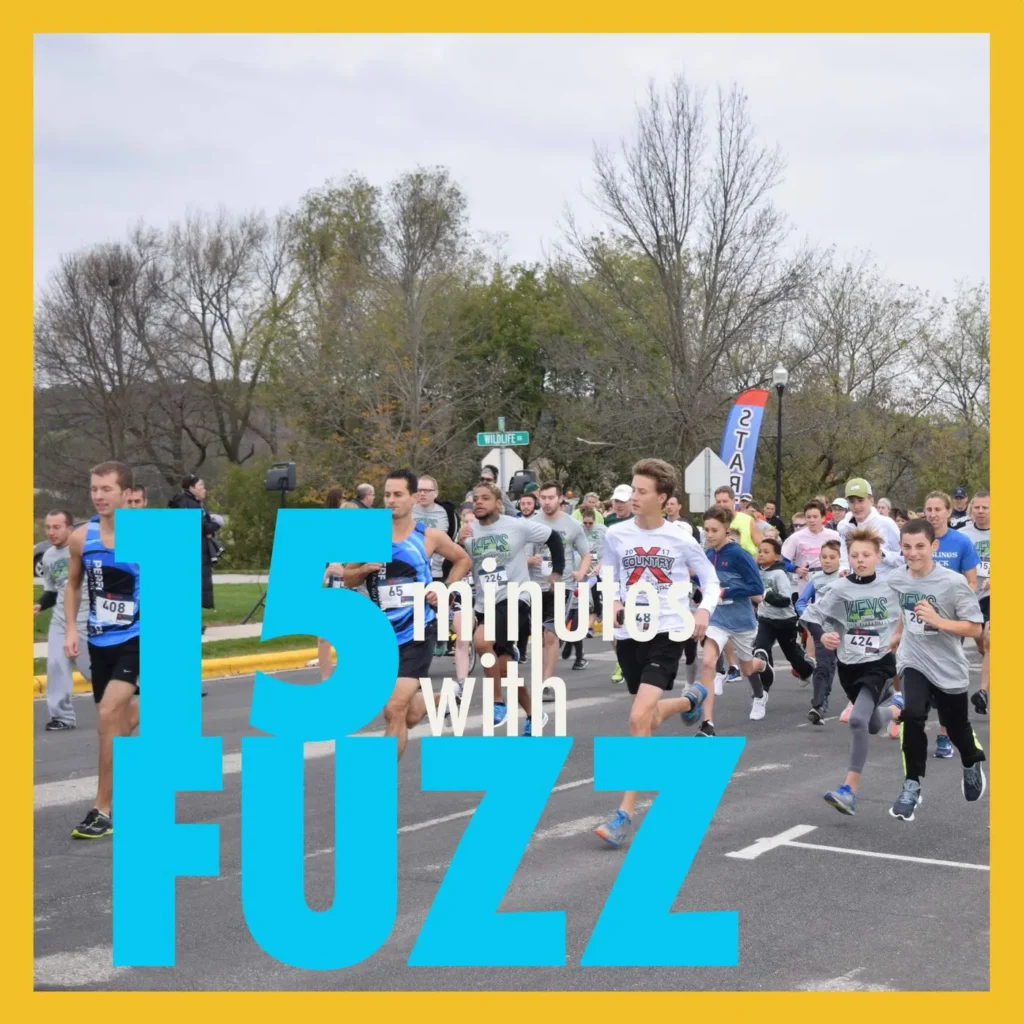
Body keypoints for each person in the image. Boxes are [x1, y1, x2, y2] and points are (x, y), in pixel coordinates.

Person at [594, 459, 718, 848]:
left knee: (636, 719)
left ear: (663, 499)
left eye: (642, 491)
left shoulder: (681, 538)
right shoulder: (616, 535)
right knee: (646, 720)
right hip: (630, 632)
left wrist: (702, 610)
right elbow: (608, 575)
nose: (633, 496)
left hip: (669, 629)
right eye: (632, 489)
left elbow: (710, 581)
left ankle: (623, 814)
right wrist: (612, 602)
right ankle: (689, 699)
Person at [343, 469, 470, 759]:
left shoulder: (429, 536)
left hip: (418, 630)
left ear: (413, 498)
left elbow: (463, 559)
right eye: (387, 494)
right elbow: (348, 579)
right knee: (407, 716)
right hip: (382, 634)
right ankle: (444, 699)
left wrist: (445, 588)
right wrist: (363, 570)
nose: (390, 500)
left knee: (394, 709)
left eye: (398, 494)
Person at [886, 519, 987, 821]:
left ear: (933, 546)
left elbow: (975, 628)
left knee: (956, 728)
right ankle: (912, 784)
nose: (913, 553)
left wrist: (940, 621)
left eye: (920, 546)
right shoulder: (896, 579)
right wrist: (897, 632)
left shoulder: (952, 582)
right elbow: (906, 607)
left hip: (948, 665)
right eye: (907, 547)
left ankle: (971, 762)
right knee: (913, 714)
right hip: (913, 660)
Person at [801, 529, 904, 815]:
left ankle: (849, 790)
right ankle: (896, 709)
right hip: (849, 665)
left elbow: (911, 611)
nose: (860, 560)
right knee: (871, 724)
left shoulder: (891, 587)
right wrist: (823, 637)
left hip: (880, 662)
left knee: (857, 720)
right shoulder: (840, 588)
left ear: (878, 557)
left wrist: (899, 635)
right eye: (855, 555)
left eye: (866, 555)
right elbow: (812, 616)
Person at [64, 461, 140, 839]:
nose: (98, 496)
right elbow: (74, 585)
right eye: (94, 489)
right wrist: (71, 631)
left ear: (126, 493)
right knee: (116, 724)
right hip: (99, 641)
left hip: (137, 639)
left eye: (106, 489)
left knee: (109, 715)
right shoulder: (81, 538)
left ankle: (102, 810)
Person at [461, 481, 566, 734]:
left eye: (485, 498)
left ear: (498, 504)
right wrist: (458, 542)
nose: (478, 502)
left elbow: (553, 538)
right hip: (485, 601)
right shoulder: (469, 530)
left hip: (515, 597)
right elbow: (459, 561)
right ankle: (533, 714)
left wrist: (557, 572)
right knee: (506, 668)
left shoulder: (516, 525)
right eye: (475, 498)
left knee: (481, 640)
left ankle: (498, 703)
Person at [698, 506, 771, 733]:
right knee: (709, 663)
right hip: (717, 620)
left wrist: (725, 592)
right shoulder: (708, 555)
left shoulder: (739, 554)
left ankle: (761, 686)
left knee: (748, 669)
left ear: (726, 530)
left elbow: (756, 587)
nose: (709, 535)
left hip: (741, 621)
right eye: (706, 530)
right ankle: (707, 723)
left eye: (714, 530)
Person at [923, 489, 982, 758]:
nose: (933, 514)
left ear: (949, 512)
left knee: (945, 675)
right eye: (929, 509)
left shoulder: (961, 542)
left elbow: (971, 581)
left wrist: (957, 609)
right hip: (918, 617)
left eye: (938, 509)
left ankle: (945, 734)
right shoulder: (917, 539)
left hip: (949, 620)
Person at [35, 510, 92, 731]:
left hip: (86, 617)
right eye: (48, 527)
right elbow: (52, 590)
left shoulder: (83, 549)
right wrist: (40, 604)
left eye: (57, 527)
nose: (51, 532)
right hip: (60, 619)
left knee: (92, 670)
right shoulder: (48, 557)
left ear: (70, 528)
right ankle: (62, 716)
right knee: (56, 664)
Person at [528, 482, 592, 679]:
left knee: (551, 634)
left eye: (551, 498)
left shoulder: (572, 524)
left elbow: (586, 553)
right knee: (539, 636)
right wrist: (531, 560)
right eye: (543, 498)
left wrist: (581, 573)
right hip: (537, 585)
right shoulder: (530, 524)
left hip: (562, 585)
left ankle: (546, 682)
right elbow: (520, 556)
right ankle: (540, 674)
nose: (546, 502)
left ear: (560, 498)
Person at [754, 536, 816, 688]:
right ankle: (765, 684)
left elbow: (785, 601)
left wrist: (766, 595)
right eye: (759, 551)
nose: (761, 554)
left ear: (777, 557)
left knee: (791, 655)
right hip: (765, 619)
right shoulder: (756, 572)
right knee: (761, 648)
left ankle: (807, 670)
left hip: (784, 621)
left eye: (766, 552)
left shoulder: (779, 574)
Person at [795, 538, 844, 723]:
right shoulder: (816, 579)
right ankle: (818, 705)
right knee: (823, 666)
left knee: (841, 669)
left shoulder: (845, 577)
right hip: (823, 631)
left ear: (840, 558)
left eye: (832, 557)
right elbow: (800, 602)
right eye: (824, 557)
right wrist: (810, 616)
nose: (827, 560)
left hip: (845, 631)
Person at [168, 475, 221, 614]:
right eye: (201, 486)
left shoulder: (185, 502)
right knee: (193, 586)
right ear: (192, 488)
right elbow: (200, 527)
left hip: (192, 550)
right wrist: (216, 525)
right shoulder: (190, 505)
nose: (204, 489)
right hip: (193, 552)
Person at [960, 491, 990, 714]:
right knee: (982, 644)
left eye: (985, 508)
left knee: (991, 638)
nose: (980, 512)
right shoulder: (963, 535)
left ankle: (982, 692)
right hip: (970, 596)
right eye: (977, 507)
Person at [836, 479, 902, 579]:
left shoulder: (887, 524)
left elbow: (904, 559)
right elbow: (844, 553)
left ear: (871, 500)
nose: (856, 506)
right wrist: (844, 568)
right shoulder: (845, 527)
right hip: (857, 587)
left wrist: (881, 554)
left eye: (860, 500)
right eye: (852, 501)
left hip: (884, 588)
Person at [714, 485, 762, 556]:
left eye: (725, 501)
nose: (722, 504)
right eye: (718, 502)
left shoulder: (747, 520)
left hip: (745, 563)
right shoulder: (713, 522)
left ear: (733, 501)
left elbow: (763, 545)